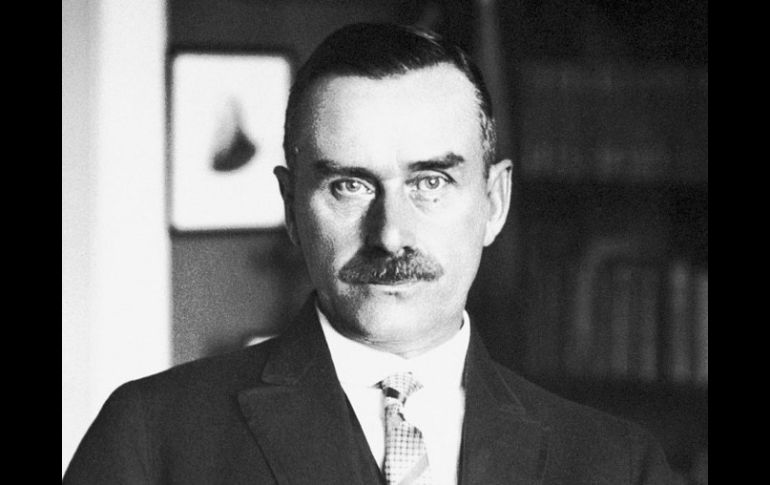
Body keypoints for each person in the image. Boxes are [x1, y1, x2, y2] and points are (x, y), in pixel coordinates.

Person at [63, 23, 673, 484]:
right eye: (349, 186)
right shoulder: (150, 438)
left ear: (494, 202)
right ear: (291, 207)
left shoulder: (619, 464)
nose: (391, 235)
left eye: (430, 182)